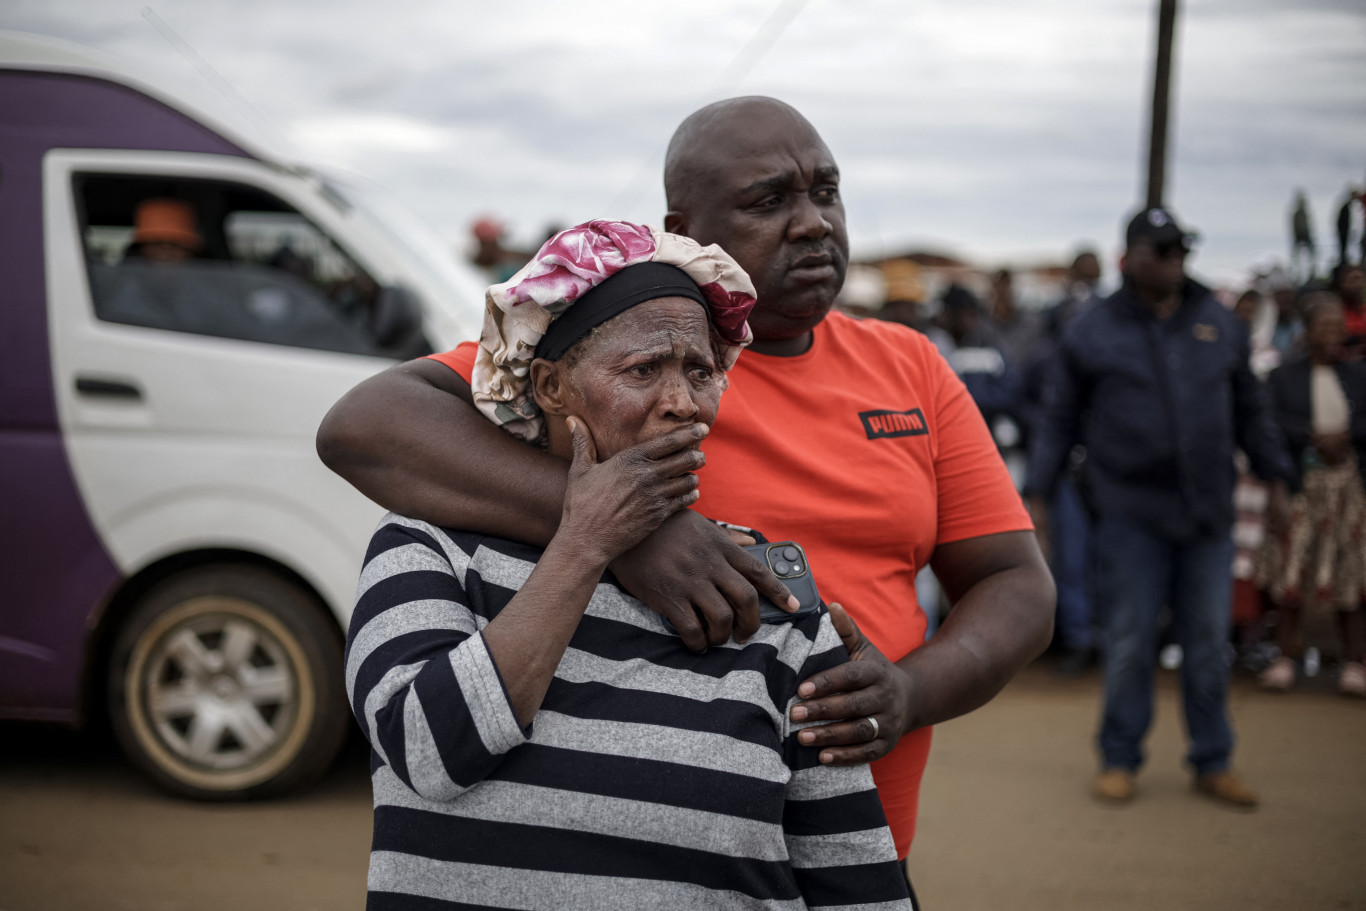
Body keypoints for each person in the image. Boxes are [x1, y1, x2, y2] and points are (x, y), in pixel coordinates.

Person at [318, 97, 1055, 868]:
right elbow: (366, 425)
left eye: (825, 193)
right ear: (684, 226)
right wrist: (626, 531)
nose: (811, 223)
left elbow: (1016, 582)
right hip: (660, 860)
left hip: (854, 850)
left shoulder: (912, 366)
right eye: (769, 200)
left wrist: (908, 694)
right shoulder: (626, 354)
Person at [346, 221, 912, 909]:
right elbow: (429, 751)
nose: (683, 402)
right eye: (644, 369)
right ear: (551, 385)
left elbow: (852, 874)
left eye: (700, 371)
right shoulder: (430, 546)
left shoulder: (761, 590)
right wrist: (585, 543)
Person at [1025, 206, 1297, 809]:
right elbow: (1058, 418)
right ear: (1130, 258)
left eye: (1181, 249)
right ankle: (1119, 758)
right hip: (1130, 513)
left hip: (1207, 514)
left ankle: (1212, 759)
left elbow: (1252, 409)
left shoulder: (1217, 321)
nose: (1176, 260)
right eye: (1163, 250)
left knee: (1207, 640)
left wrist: (1277, 478)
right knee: (1129, 640)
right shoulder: (1093, 329)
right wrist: (1038, 495)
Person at [1257, 293, 1366, 697]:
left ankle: (1355, 661)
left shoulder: (1357, 375)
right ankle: (1285, 656)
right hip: (1302, 485)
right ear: (1307, 330)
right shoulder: (1285, 376)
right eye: (1326, 326)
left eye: (1340, 327)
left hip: (1348, 488)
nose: (1334, 334)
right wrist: (1311, 436)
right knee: (1292, 571)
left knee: (1349, 575)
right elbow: (1269, 423)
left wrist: (1346, 437)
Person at [1029, 249, 1105, 676]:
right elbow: (1043, 420)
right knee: (1071, 561)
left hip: (1112, 475)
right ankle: (1078, 640)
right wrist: (1038, 487)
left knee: (1108, 560)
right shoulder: (1045, 358)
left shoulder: (1114, 354)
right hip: (1065, 474)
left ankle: (1107, 640)